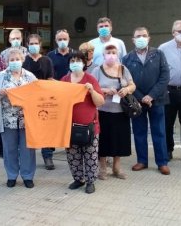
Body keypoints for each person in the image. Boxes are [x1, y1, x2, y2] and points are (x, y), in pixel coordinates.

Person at [123, 27, 170, 175]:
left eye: (144, 35)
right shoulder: (127, 58)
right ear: (133, 39)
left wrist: (151, 95)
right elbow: (125, 80)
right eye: (138, 36)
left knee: (159, 132)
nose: (141, 38)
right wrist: (140, 96)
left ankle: (162, 162)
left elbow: (165, 76)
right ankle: (142, 160)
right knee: (139, 132)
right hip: (136, 101)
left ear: (149, 38)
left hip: (157, 99)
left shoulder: (159, 54)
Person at [0, 48, 37, 188]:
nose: (15, 62)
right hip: (7, 119)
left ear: (22, 60)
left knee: (27, 150)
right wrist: (0, 92)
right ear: (7, 62)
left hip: (26, 120)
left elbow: (39, 94)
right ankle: (11, 176)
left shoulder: (29, 76)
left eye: (17, 59)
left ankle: (28, 176)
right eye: (12, 60)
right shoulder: (2, 76)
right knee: (9, 149)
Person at [91, 42, 136, 180]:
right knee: (103, 140)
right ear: (103, 55)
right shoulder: (97, 70)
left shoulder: (123, 69)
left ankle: (117, 167)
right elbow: (92, 88)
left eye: (114, 53)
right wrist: (104, 90)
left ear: (118, 55)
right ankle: (102, 168)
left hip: (121, 111)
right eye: (108, 53)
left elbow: (132, 84)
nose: (111, 55)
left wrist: (127, 89)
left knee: (120, 139)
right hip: (103, 110)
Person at [61, 51, 104, 194]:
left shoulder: (90, 79)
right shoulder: (65, 80)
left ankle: (91, 181)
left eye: (78, 60)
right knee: (73, 155)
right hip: (70, 126)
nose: (75, 63)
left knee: (90, 155)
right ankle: (78, 179)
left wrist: (92, 91)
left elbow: (100, 102)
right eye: (72, 61)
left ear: (84, 63)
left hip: (89, 126)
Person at [22, 34, 55, 170]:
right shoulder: (23, 61)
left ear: (40, 45)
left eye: (36, 43)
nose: (33, 45)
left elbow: (51, 79)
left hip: (44, 100)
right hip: (29, 100)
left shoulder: (47, 60)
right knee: (29, 128)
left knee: (46, 128)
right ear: (27, 44)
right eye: (31, 43)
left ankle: (47, 156)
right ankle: (28, 158)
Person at [159, 20, 181, 161]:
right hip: (168, 90)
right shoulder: (163, 48)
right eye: (180, 31)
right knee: (167, 122)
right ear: (173, 33)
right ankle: (168, 150)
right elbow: (158, 70)